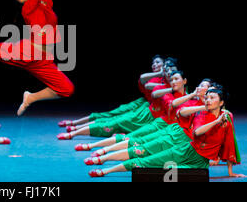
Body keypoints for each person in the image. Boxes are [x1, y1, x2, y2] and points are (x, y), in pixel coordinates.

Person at [87, 89, 244, 178]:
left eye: (212, 97)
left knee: (163, 171)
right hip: (184, 149)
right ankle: (105, 167)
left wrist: (230, 172)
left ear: (221, 102)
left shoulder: (227, 116)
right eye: (207, 96)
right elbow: (196, 131)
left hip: (199, 162)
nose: (208, 100)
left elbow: (229, 142)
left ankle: (103, 156)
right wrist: (214, 119)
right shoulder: (201, 113)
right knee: (144, 154)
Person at [79, 78, 212, 156]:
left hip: (179, 135)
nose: (173, 81)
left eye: (176, 79)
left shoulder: (208, 105)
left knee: (147, 149)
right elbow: (176, 106)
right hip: (162, 124)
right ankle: (96, 147)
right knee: (132, 136)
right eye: (171, 79)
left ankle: (105, 151)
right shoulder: (179, 96)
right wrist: (192, 95)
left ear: (184, 81)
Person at [58, 55, 165, 131]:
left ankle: (76, 127)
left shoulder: (168, 81)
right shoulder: (152, 78)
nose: (154, 65)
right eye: (153, 63)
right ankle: (76, 123)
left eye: (158, 62)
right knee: (112, 114)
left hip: (150, 108)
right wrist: (160, 73)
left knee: (118, 120)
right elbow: (143, 80)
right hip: (143, 103)